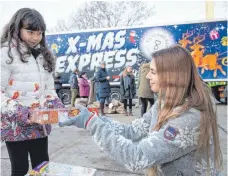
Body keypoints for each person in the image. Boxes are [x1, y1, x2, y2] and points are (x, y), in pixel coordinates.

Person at [59, 45, 223, 176]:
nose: (147, 77)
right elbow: (133, 130)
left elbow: (137, 156)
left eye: (153, 72)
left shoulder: (189, 118)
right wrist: (97, 119)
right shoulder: (163, 103)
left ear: (172, 75)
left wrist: (92, 124)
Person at [1, 8, 64, 176]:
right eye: (30, 32)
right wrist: (23, 113)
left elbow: (49, 89)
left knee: (42, 167)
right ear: (17, 28)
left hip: (40, 124)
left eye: (39, 33)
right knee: (20, 169)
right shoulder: (5, 54)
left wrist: (56, 106)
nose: (35, 38)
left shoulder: (44, 56)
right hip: (16, 126)